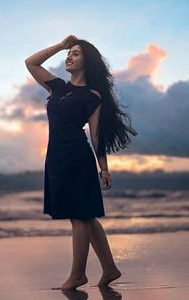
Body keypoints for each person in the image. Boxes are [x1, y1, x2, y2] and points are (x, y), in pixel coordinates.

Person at [25, 35, 137, 290]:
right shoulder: (57, 87)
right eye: (69, 53)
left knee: (78, 216)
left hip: (77, 157)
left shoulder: (94, 95)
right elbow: (31, 63)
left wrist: (104, 168)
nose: (69, 57)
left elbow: (96, 134)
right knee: (85, 215)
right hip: (55, 157)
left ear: (87, 61)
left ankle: (78, 275)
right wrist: (60, 45)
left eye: (75, 53)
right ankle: (109, 268)